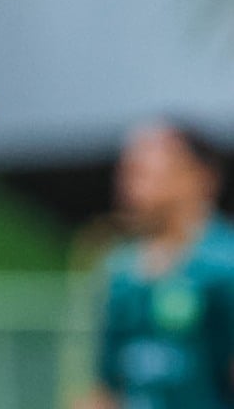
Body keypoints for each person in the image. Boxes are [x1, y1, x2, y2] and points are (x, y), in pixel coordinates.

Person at [75, 120, 234, 409]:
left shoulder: (225, 265)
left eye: (143, 172)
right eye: (126, 172)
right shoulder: (120, 271)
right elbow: (108, 386)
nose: (128, 186)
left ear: (198, 177)